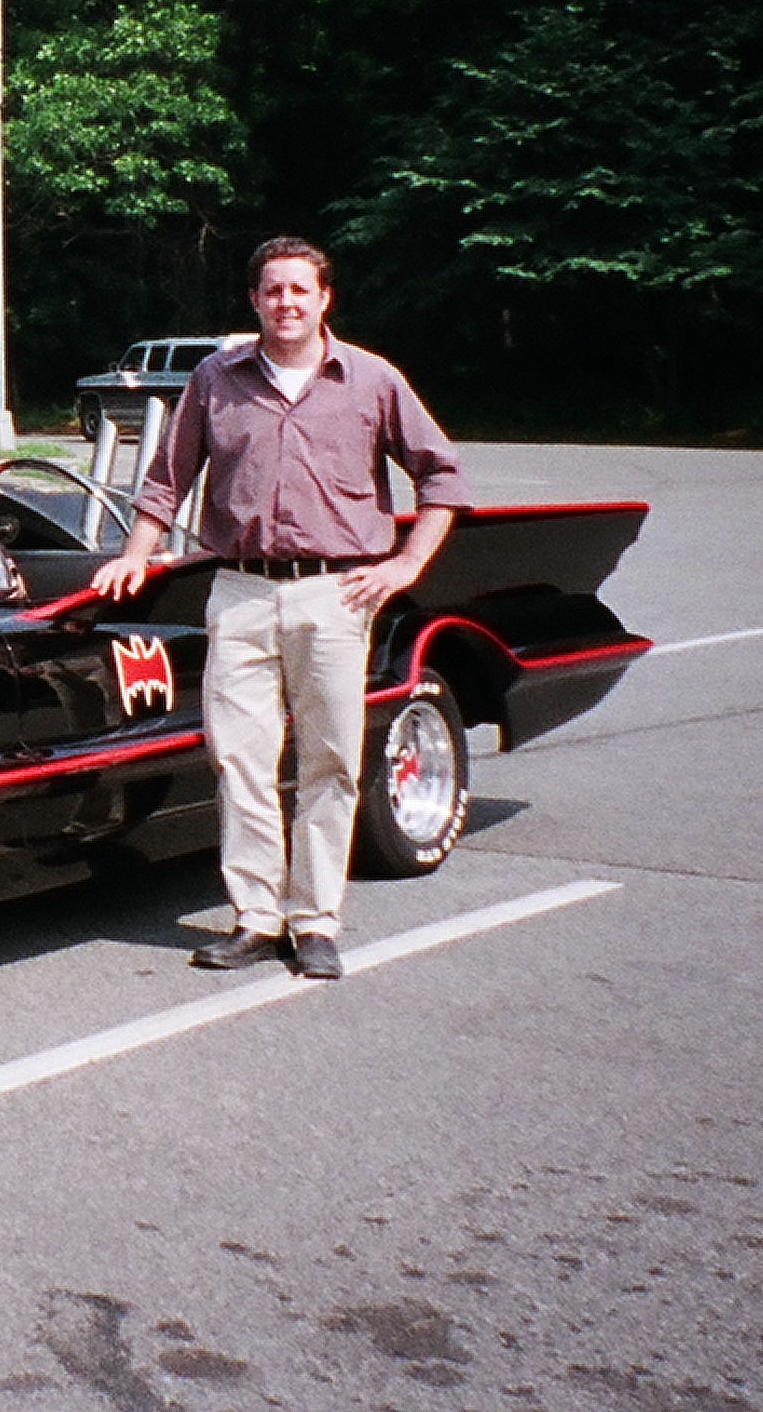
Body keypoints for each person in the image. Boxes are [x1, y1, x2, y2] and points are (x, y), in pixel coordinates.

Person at [88, 238, 468, 981]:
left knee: (329, 760)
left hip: (336, 594)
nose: (285, 303)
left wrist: (406, 564)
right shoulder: (215, 378)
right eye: (272, 291)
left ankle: (317, 922)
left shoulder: (371, 380)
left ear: (325, 298)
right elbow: (167, 479)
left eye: (300, 290)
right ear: (254, 300)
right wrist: (136, 552)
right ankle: (257, 918)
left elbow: (443, 477)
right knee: (240, 760)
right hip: (240, 592)